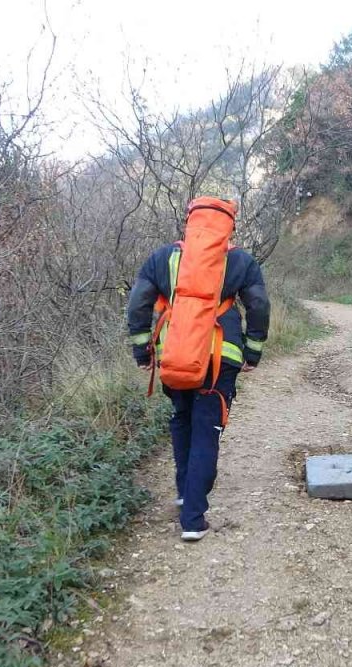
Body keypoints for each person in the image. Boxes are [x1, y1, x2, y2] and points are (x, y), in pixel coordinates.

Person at [126, 197, 269, 541]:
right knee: (207, 428)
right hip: (220, 359)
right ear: (230, 228)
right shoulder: (240, 260)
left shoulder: (163, 258)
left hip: (175, 355)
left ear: (188, 223)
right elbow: (259, 306)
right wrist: (253, 352)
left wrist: (143, 351)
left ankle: (184, 491)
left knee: (182, 418)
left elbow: (138, 304)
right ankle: (193, 518)